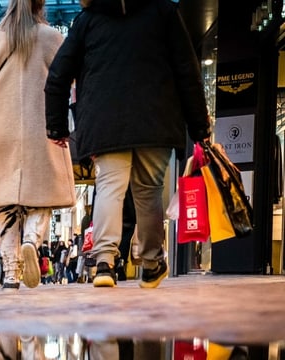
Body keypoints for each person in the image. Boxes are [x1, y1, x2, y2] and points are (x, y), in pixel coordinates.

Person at [44, 0, 211, 288]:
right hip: (154, 119)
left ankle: (105, 262)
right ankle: (150, 262)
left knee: (109, 186)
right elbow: (187, 70)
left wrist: (57, 125)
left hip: (105, 122)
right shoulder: (164, 12)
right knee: (148, 190)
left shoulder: (88, 20)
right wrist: (199, 126)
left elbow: (58, 74)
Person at [0, 0, 76, 290]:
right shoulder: (52, 39)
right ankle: (32, 243)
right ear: (40, 6)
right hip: (42, 128)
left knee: (6, 205)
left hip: (0, 133)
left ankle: (11, 272)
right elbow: (70, 83)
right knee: (42, 197)